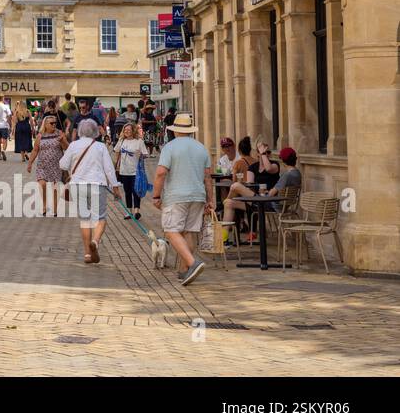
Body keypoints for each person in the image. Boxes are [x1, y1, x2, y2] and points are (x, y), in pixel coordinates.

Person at [150, 112, 211, 286]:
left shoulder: (170, 147)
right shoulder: (201, 147)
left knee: (170, 230)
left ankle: (193, 263)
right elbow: (208, 177)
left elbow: (161, 173)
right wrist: (210, 200)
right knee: (189, 232)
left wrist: (155, 195)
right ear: (191, 131)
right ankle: (185, 271)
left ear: (175, 131)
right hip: (198, 195)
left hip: (176, 196)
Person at [60, 119, 122, 264]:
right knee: (100, 218)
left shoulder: (74, 145)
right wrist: (116, 187)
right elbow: (109, 169)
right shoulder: (100, 147)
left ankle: (87, 254)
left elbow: (62, 164)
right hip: (97, 185)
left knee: (85, 219)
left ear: (80, 131)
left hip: (77, 186)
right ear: (95, 132)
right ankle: (95, 241)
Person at [222, 145, 300, 240]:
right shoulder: (297, 173)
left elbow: (271, 193)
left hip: (268, 204)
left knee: (235, 186)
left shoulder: (286, 175)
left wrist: (266, 192)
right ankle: (223, 238)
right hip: (274, 204)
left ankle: (223, 210)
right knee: (228, 203)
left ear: (283, 160)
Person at [27, 114, 67, 216]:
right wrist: (30, 163)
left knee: (55, 188)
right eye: (51, 123)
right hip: (42, 165)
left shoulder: (59, 134)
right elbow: (35, 150)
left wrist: (63, 140)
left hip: (56, 165)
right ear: (45, 124)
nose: (54, 125)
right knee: (43, 184)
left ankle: (55, 209)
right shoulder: (40, 136)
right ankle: (44, 205)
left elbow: (67, 147)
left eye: (55, 123)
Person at [113, 122, 147, 219]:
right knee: (127, 191)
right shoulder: (121, 141)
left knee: (136, 190)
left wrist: (139, 154)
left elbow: (145, 154)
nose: (126, 131)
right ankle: (129, 211)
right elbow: (116, 152)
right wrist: (116, 166)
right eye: (125, 130)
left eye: (129, 130)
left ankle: (136, 211)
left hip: (136, 171)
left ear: (133, 130)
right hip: (124, 171)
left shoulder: (139, 141)